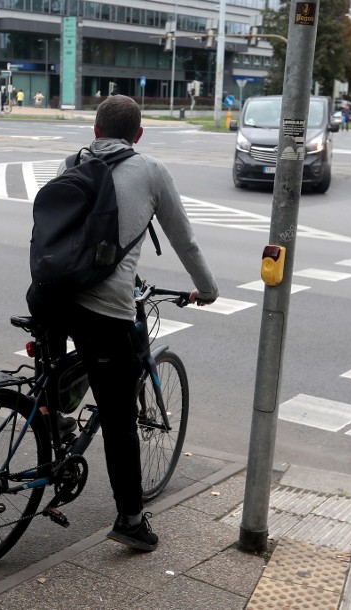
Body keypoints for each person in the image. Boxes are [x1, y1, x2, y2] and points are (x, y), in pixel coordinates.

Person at [32, 95, 218, 552]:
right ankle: (131, 521)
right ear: (138, 135)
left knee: (53, 374)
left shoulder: (71, 161)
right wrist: (207, 288)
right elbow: (184, 240)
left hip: (48, 294)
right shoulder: (151, 171)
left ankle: (55, 426)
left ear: (95, 130)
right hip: (106, 308)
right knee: (119, 417)